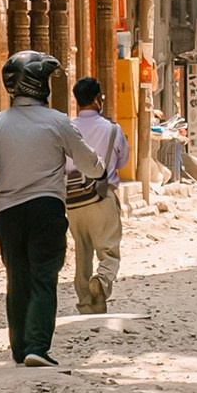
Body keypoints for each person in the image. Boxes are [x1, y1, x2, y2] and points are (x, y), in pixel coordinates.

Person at [0, 51, 107, 368]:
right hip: (46, 211)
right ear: (38, 84)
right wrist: (100, 169)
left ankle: (19, 347)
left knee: (17, 279)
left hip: (8, 214)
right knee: (43, 278)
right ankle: (37, 347)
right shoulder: (57, 122)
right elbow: (87, 162)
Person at [65, 76, 130, 314]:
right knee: (109, 250)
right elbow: (123, 160)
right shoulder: (111, 129)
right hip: (102, 196)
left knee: (82, 252)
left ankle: (85, 302)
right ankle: (101, 282)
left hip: (72, 199)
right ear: (96, 99)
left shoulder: (66, 130)